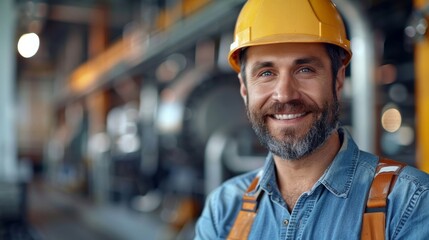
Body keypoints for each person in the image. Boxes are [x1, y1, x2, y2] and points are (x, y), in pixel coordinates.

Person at [194, 0, 429, 239]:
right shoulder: (223, 211)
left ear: (338, 80)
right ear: (245, 89)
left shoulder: (410, 203)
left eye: (304, 69)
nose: (285, 94)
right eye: (266, 73)